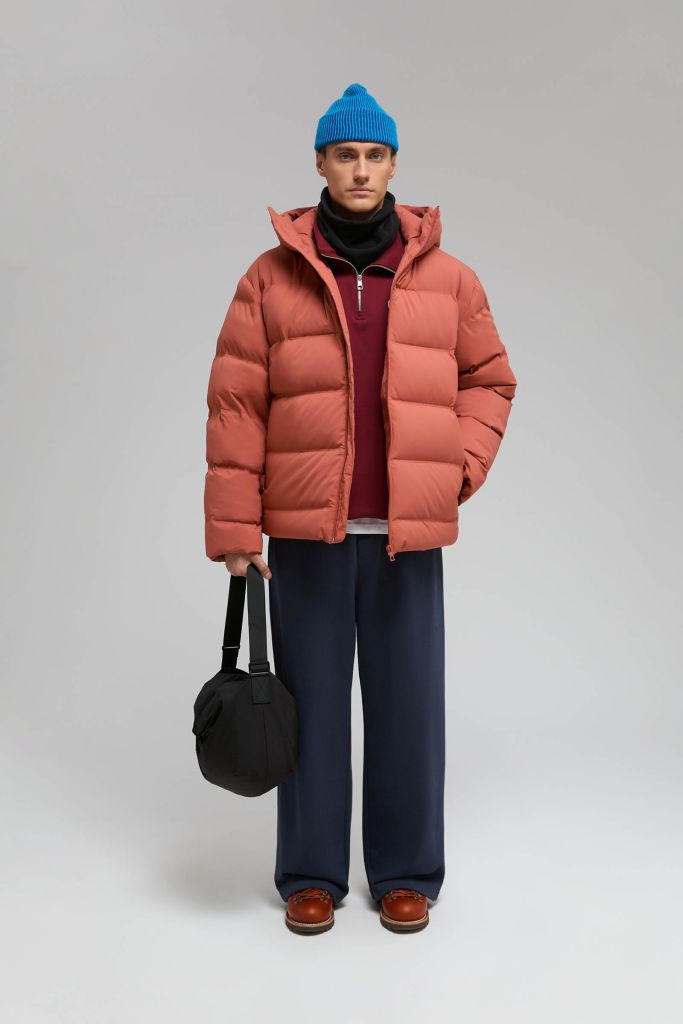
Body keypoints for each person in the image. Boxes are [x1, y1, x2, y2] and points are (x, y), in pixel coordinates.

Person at [203, 83, 517, 934]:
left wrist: (455, 470)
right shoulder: (269, 277)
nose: (360, 169)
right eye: (345, 155)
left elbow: (490, 380)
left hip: (402, 537)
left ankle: (406, 872)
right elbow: (236, 406)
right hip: (306, 534)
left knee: (409, 708)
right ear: (319, 163)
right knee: (307, 708)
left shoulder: (448, 278)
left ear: (393, 165)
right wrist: (234, 530)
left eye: (375, 155)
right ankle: (311, 873)